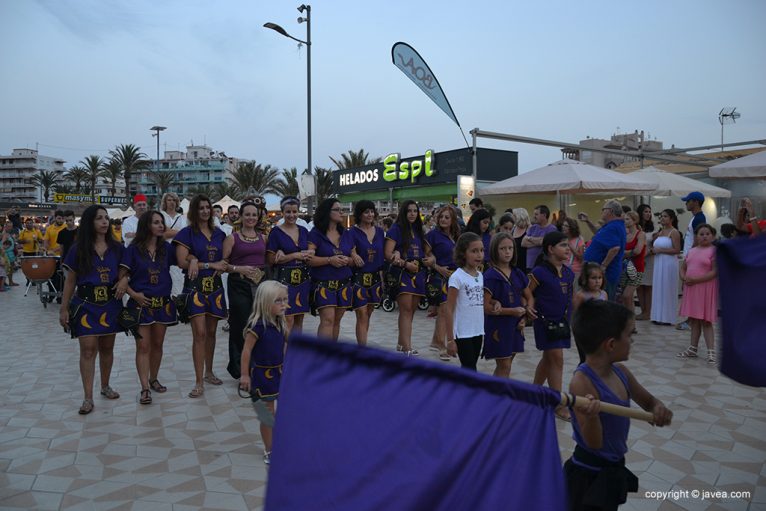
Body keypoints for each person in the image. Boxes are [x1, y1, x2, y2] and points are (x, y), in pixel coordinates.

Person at [565, 300, 673, 511]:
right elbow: (594, 443)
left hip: (613, 467)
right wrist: (593, 416)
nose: (632, 340)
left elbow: (648, 401)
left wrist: (658, 408)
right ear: (611, 344)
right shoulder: (582, 382)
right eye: (630, 335)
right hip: (587, 475)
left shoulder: (621, 372)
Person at [59, 205, 126, 415]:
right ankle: (87, 397)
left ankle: (105, 386)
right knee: (88, 350)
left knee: (107, 348)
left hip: (111, 303)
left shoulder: (118, 249)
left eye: (106, 218)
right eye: (99, 218)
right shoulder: (78, 249)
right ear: (90, 222)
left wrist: (125, 280)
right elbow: (70, 282)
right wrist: (63, 309)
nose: (105, 222)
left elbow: (127, 272)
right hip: (86, 304)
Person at [120, 210, 178, 404]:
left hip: (162, 303)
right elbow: (121, 277)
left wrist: (194, 260)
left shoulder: (167, 249)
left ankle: (154, 378)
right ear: (146, 226)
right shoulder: (133, 249)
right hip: (140, 304)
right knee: (143, 346)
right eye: (156, 222)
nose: (161, 226)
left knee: (158, 344)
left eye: (162, 222)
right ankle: (145, 387)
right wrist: (134, 294)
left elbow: (185, 258)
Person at [173, 194, 229, 398]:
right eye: (201, 208)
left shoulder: (219, 234)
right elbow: (181, 261)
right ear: (194, 211)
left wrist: (198, 259)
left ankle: (209, 372)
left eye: (208, 207)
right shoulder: (186, 233)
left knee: (212, 333)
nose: (205, 211)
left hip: (214, 287)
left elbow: (225, 259)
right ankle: (198, 382)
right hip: (195, 287)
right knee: (200, 334)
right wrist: (195, 259)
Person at [239, 281, 289, 466]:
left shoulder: (280, 323)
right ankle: (269, 450)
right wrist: (244, 375)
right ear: (265, 302)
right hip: (262, 376)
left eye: (285, 299)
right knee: (267, 414)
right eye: (278, 301)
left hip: (279, 372)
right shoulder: (258, 326)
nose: (284, 304)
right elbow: (246, 352)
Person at [529, 231, 574, 422]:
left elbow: (570, 298)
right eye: (563, 245)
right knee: (557, 358)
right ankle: (558, 403)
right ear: (550, 249)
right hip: (545, 322)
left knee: (549, 359)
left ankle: (534, 393)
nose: (568, 249)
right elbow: (526, 292)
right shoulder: (539, 272)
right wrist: (528, 307)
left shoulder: (569, 273)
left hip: (562, 322)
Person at [222, 201, 268, 379]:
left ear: (258, 217)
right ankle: (241, 371)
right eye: (247, 214)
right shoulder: (232, 238)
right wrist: (238, 269)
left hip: (260, 287)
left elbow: (268, 260)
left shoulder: (263, 238)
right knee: (241, 327)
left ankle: (258, 368)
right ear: (241, 216)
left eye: (254, 215)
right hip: (238, 286)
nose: (251, 218)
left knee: (260, 326)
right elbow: (223, 264)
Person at [384, 200, 435, 355]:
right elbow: (388, 254)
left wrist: (431, 259)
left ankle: (401, 343)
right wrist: (404, 264)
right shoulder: (396, 229)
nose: (412, 214)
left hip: (419, 273)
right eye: (409, 211)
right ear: (404, 213)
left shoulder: (420, 230)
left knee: (411, 310)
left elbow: (429, 253)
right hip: (403, 272)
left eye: (415, 211)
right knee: (405, 309)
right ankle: (407, 346)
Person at [482, 232, 534, 378]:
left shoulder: (518, 273)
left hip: (517, 324)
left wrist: (526, 314)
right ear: (494, 250)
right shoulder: (490, 276)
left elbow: (529, 297)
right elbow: (485, 306)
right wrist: (511, 311)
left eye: (510, 248)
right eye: (503, 248)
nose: (507, 252)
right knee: (504, 364)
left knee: (507, 364)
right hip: (498, 325)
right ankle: (500, 396)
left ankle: (494, 393)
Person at [308, 198, 354, 340]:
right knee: (327, 320)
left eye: (342, 209)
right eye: (337, 209)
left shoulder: (346, 233)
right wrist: (329, 260)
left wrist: (348, 260)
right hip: (323, 283)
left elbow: (354, 259)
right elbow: (309, 260)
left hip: (343, 282)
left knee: (336, 321)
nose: (341, 212)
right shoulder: (316, 234)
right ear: (327, 212)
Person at [267, 196, 312, 335]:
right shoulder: (276, 232)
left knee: (300, 318)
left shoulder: (304, 231)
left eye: (294, 211)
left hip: (303, 279)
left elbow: (311, 251)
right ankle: (285, 353)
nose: (291, 215)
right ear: (282, 212)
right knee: (288, 319)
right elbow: (270, 259)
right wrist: (293, 256)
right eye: (288, 212)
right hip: (284, 280)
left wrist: (308, 253)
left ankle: (296, 353)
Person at [677, 224, 718, 364]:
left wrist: (695, 280)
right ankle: (692, 349)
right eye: (701, 234)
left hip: (705, 289)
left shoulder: (714, 251)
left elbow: (714, 272)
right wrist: (683, 277)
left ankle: (711, 352)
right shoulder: (692, 251)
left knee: (706, 321)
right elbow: (683, 268)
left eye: (707, 233)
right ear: (696, 236)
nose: (704, 236)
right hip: (692, 289)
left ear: (713, 236)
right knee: (694, 320)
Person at [444, 232, 485, 370]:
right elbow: (448, 309)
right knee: (470, 368)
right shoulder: (457, 277)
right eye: (474, 251)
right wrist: (450, 339)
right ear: (463, 253)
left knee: (469, 368)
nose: (479, 255)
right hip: (462, 333)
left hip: (478, 331)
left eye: (481, 250)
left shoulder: (480, 276)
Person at [424, 205, 460, 360]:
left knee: (447, 310)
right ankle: (440, 344)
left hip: (455, 275)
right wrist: (438, 268)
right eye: (441, 217)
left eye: (447, 217)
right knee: (445, 310)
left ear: (452, 220)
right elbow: (425, 258)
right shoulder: (432, 235)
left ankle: (435, 341)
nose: (443, 219)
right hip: (440, 276)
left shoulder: (456, 235)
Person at [349, 200, 386, 346]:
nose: (370, 214)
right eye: (366, 212)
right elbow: (347, 248)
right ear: (360, 214)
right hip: (359, 277)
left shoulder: (379, 232)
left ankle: (362, 344)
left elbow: (384, 253)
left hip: (375, 277)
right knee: (362, 314)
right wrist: (353, 254)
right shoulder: (352, 232)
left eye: (371, 211)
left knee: (369, 313)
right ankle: (362, 349)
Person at [582, 200, 626, 301]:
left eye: (603, 209)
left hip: (605, 275)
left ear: (610, 211)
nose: (601, 212)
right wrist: (588, 221)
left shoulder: (613, 226)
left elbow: (615, 248)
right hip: (599, 273)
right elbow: (599, 233)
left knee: (603, 304)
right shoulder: (611, 225)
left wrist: (603, 266)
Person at [649, 209, 681, 325]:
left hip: (669, 263)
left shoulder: (674, 232)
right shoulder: (660, 232)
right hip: (658, 262)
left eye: (665, 216)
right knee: (658, 287)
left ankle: (667, 318)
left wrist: (661, 250)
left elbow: (677, 250)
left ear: (671, 219)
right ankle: (657, 316)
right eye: (661, 216)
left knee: (667, 288)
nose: (662, 218)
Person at [572, 262, 607, 364]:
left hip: (600, 331)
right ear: (585, 279)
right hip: (584, 332)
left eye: (600, 278)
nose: (597, 281)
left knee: (599, 359)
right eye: (593, 278)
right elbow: (575, 315)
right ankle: (580, 378)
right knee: (585, 360)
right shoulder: (581, 295)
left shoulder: (603, 294)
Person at [160, 192, 186, 296]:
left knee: (179, 282)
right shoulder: (161, 215)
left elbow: (186, 235)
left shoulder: (183, 218)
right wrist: (179, 232)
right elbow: (161, 234)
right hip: (163, 252)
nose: (172, 202)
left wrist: (168, 231)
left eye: (174, 200)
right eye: (169, 200)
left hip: (180, 252)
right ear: (165, 202)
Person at [619, 211, 646, 315]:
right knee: (626, 298)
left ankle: (630, 322)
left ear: (634, 221)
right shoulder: (625, 235)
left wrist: (623, 253)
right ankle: (631, 324)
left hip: (637, 269)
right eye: (624, 219)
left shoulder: (640, 234)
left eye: (627, 219)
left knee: (627, 295)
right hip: (624, 268)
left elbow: (637, 251)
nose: (625, 221)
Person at [522, 205, 557, 271]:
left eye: (536, 214)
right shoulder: (532, 228)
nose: (534, 217)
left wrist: (529, 238)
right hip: (529, 265)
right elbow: (523, 243)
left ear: (544, 215)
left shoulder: (552, 229)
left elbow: (545, 242)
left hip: (543, 266)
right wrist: (539, 241)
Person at [635, 204, 654, 320]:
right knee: (639, 286)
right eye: (646, 211)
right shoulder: (636, 227)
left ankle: (648, 312)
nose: (648, 214)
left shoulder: (654, 227)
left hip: (649, 259)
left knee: (648, 286)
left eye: (649, 211)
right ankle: (643, 311)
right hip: (637, 258)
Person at [511, 208, 530, 274]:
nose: (512, 217)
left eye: (514, 216)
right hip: (514, 260)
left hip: (525, 261)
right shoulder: (514, 227)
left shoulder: (529, 228)